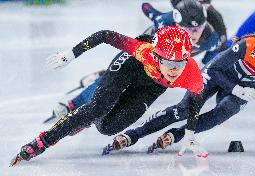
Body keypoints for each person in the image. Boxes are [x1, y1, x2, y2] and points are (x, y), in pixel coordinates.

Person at [10, 26, 203, 166]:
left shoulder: (192, 75)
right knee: (97, 108)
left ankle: (88, 118)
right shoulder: (142, 52)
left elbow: (195, 101)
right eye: (169, 63)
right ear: (156, 56)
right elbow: (105, 35)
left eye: (180, 64)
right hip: (131, 66)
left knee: (108, 128)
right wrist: (71, 54)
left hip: (152, 85)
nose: (174, 70)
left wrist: (190, 133)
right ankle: (44, 141)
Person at [111, 19, 255, 155]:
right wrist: (236, 89)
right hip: (218, 74)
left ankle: (175, 135)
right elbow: (215, 69)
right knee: (184, 109)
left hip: (245, 85)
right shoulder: (249, 46)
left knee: (224, 112)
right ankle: (134, 134)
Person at [49, 0, 227, 123]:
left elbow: (214, 60)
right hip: (146, 50)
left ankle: (101, 77)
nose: (194, 35)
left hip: (168, 62)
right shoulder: (164, 22)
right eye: (188, 30)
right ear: (177, 24)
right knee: (115, 79)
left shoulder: (213, 37)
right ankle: (75, 103)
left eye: (198, 29)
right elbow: (148, 9)